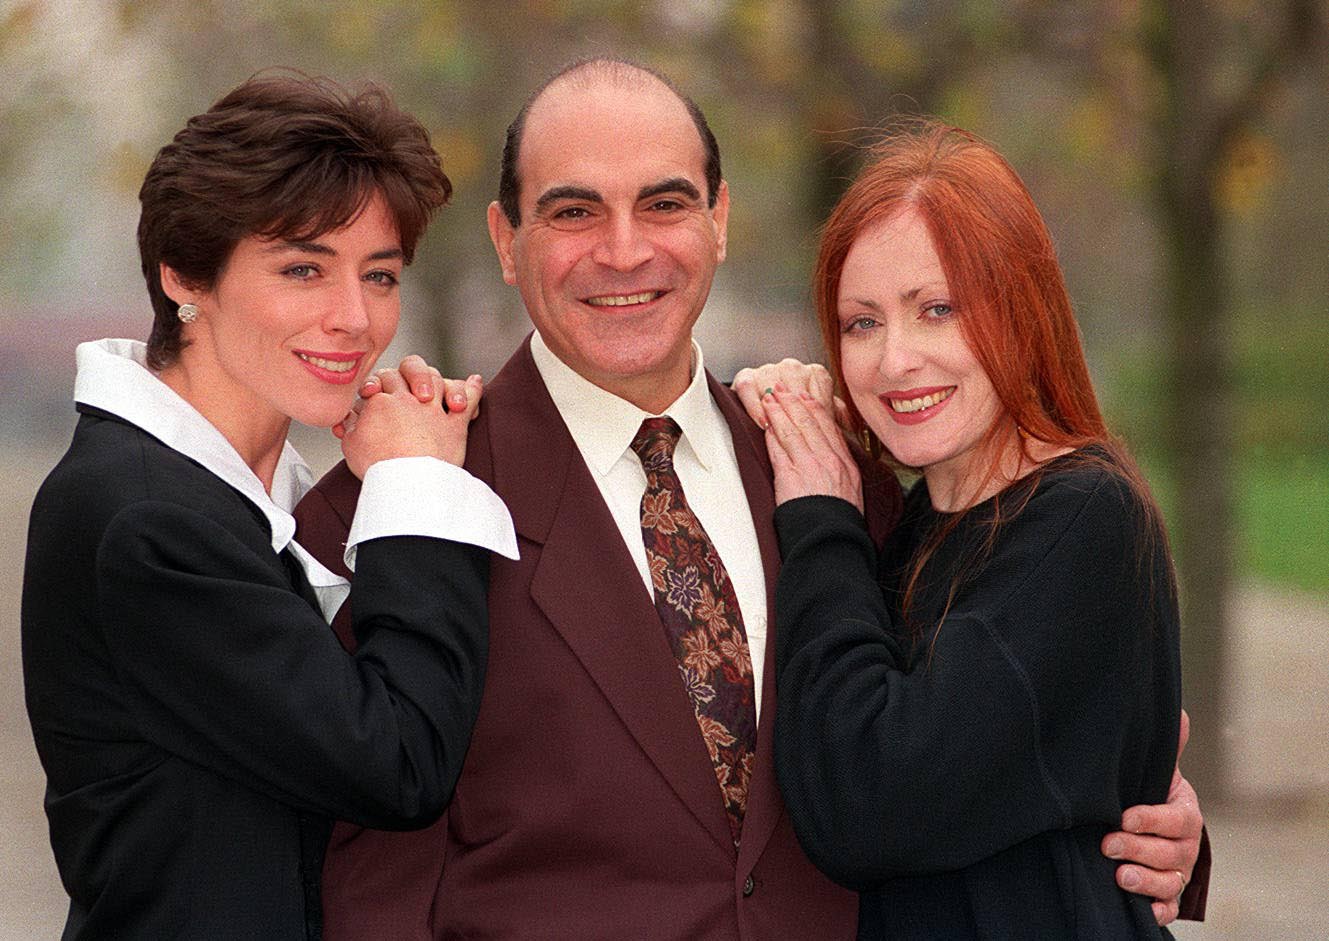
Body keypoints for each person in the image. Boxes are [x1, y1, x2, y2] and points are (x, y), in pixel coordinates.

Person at [294, 60, 1207, 939]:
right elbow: (358, 877)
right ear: (505, 239)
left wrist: (1130, 819)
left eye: (664, 203)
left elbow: (963, 737)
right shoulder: (405, 499)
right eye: (574, 211)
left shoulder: (831, 477)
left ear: (719, 221)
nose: (624, 250)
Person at [21, 73, 516, 939]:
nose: (354, 318)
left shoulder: (225, 495)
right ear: (185, 274)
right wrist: (414, 485)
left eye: (381, 274)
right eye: (302, 268)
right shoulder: (149, 520)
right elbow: (398, 762)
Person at [754, 120, 1189, 937]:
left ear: (1020, 312)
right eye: (861, 322)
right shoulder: (920, 520)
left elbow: (868, 800)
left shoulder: (1083, 515)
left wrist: (820, 517)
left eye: (937, 309)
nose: (895, 360)